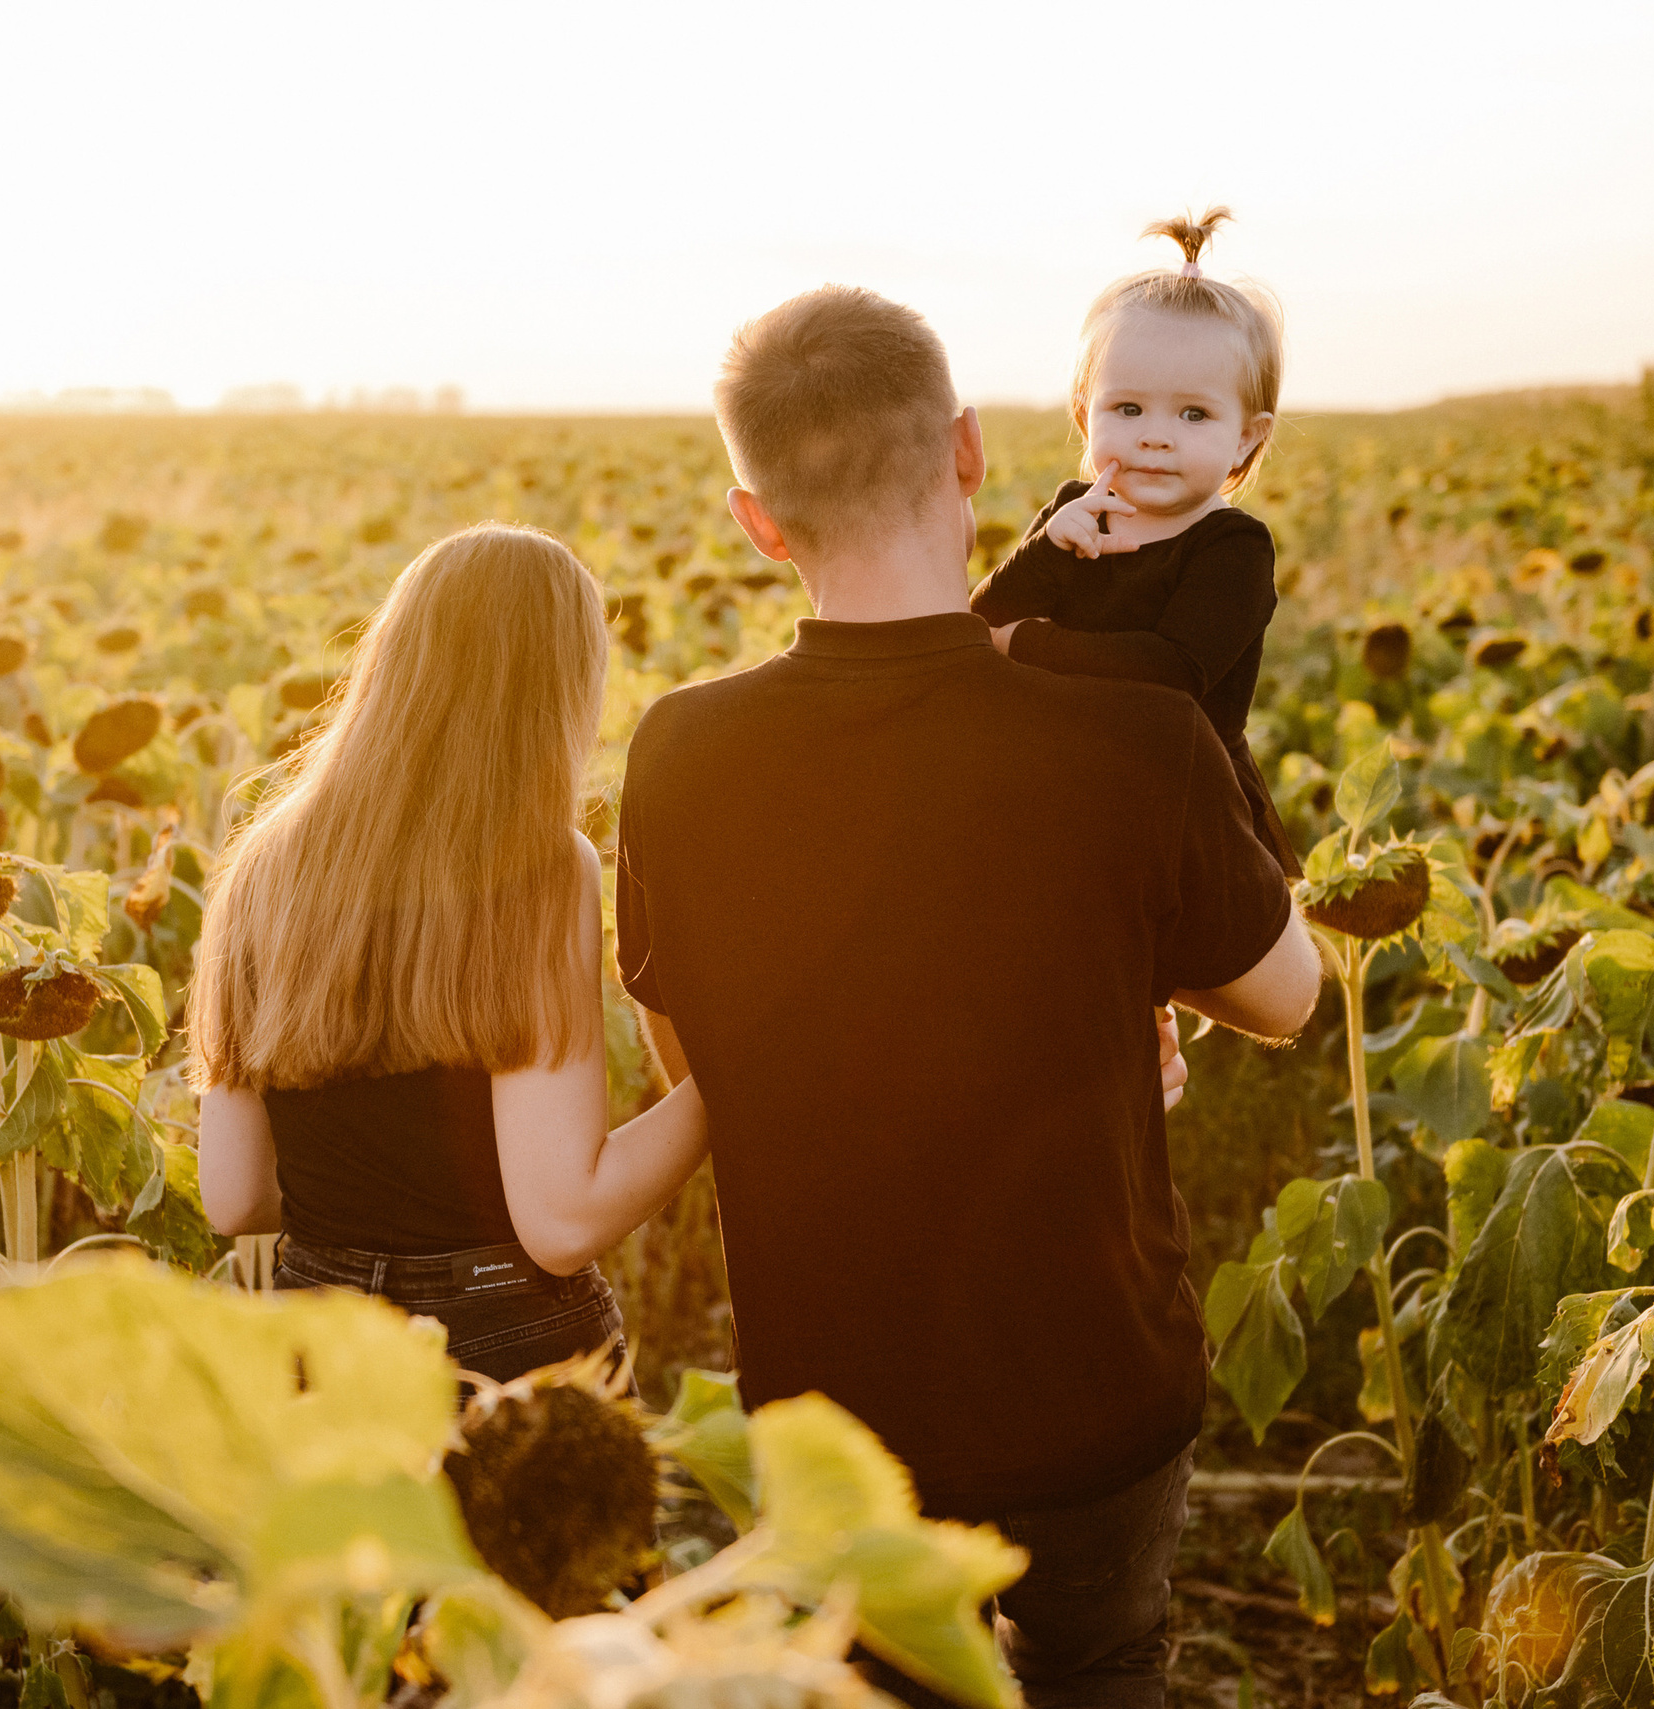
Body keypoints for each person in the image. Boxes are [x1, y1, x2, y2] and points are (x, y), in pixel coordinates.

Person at [615, 286, 1322, 1708]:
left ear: (758, 521)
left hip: (834, 1404)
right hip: (1093, 1389)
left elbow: (693, 1053)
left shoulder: (683, 752)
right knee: (1098, 1668)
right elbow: (1290, 997)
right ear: (970, 455)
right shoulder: (1136, 733)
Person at [189, 522, 712, 1383]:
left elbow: (234, 1194)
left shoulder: (264, 863)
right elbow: (564, 1217)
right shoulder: (540, 864)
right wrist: (721, 1091)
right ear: (558, 692)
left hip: (312, 1343)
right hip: (499, 1344)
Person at [973, 208, 1300, 875]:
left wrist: (1029, 645)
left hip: (1189, 803)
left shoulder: (1232, 547)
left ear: (1247, 435)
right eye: (1128, 408)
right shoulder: (1076, 512)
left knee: (1205, 970)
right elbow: (981, 624)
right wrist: (1043, 552)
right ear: (1083, 412)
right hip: (1067, 785)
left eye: (1193, 414)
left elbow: (1169, 674)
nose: (1155, 435)